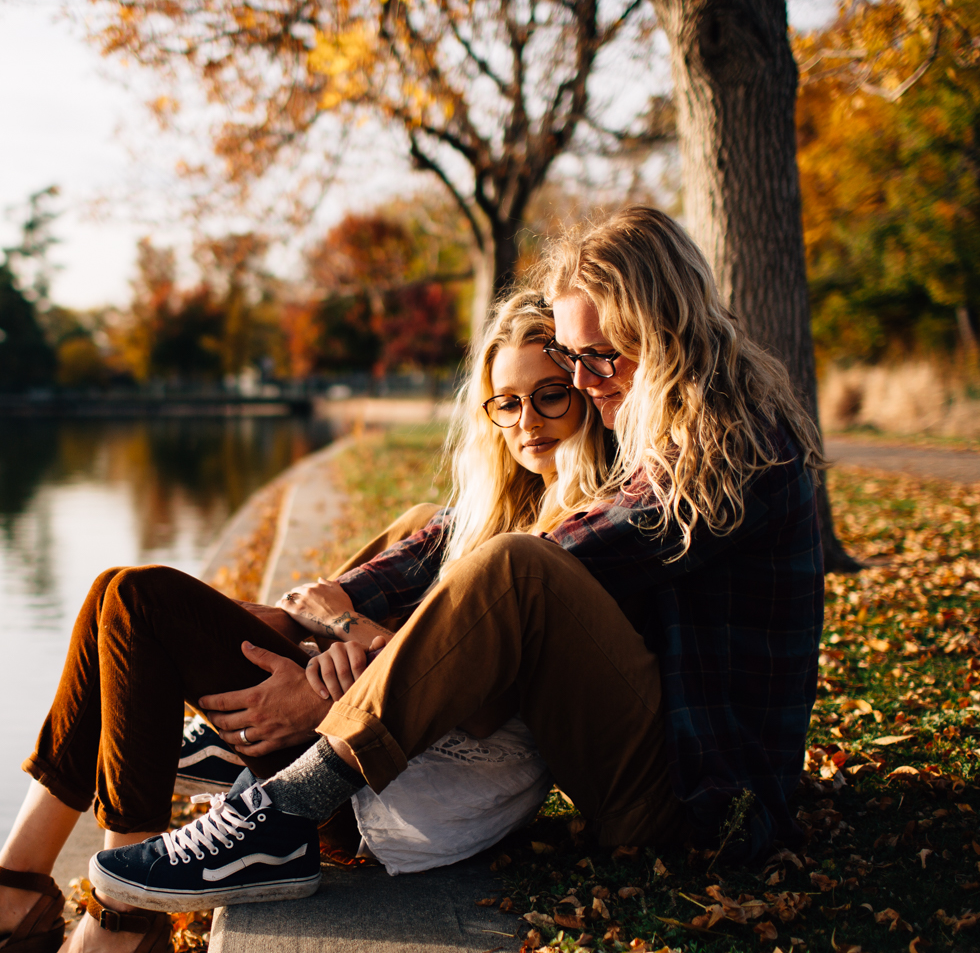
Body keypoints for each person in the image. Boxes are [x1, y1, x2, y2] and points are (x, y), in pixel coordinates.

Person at [89, 205, 825, 917]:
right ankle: (232, 754)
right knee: (159, 602)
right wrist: (308, 625)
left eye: (605, 354)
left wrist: (345, 669)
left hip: (700, 804)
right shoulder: (664, 421)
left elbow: (528, 575)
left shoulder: (727, 447)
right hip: (648, 756)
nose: (589, 378)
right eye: (574, 356)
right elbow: (445, 551)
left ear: (670, 331)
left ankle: (284, 812)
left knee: (516, 565)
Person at [0, 294, 606, 953]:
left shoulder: (581, 533)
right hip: (367, 755)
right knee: (115, 595)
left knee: (141, 601)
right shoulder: (486, 514)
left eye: (550, 397)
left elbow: (471, 683)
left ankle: (122, 927)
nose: (527, 422)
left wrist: (351, 639)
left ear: (584, 393)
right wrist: (330, 642)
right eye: (507, 402)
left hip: (418, 796)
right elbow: (330, 610)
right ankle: (18, 885)